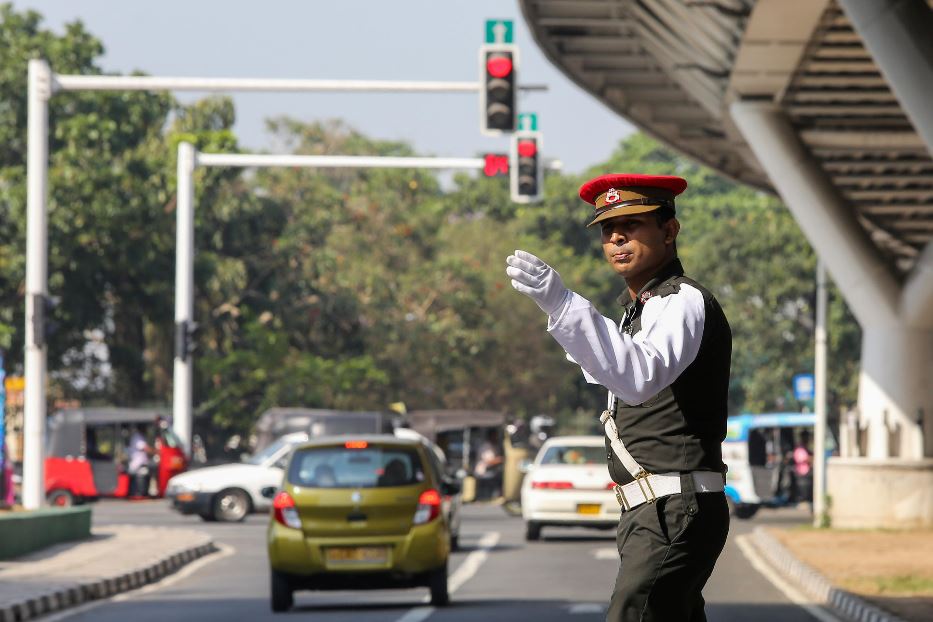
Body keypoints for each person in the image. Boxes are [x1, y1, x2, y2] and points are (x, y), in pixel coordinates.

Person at [505, 174, 732, 621]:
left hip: (675, 507)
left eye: (632, 224)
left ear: (669, 231)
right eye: (607, 230)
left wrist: (565, 305)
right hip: (653, 509)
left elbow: (638, 375)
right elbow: (608, 368)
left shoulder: (681, 299)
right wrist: (563, 313)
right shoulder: (643, 309)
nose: (616, 238)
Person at [126, 425, 154, 498]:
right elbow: (145, 448)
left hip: (141, 463)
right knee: (141, 477)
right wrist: (157, 452)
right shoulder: (138, 437)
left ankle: (143, 492)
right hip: (138, 464)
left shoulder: (140, 436)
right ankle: (140, 493)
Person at [793, 430, 813, 504]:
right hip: (802, 473)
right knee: (803, 489)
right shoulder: (800, 449)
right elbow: (804, 459)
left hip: (808, 473)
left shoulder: (807, 449)